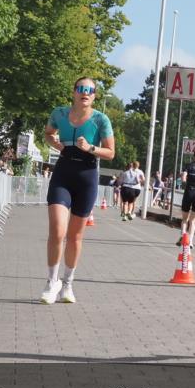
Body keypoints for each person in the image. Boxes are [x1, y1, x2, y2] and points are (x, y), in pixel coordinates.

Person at [41, 77, 115, 304]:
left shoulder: (100, 120)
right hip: (63, 172)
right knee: (57, 230)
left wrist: (91, 147)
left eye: (90, 90)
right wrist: (54, 142)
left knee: (74, 236)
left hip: (87, 175)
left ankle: (68, 284)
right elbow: (48, 133)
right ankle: (51, 282)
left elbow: (111, 152)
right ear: (73, 92)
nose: (86, 93)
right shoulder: (60, 114)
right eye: (81, 89)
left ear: (94, 96)